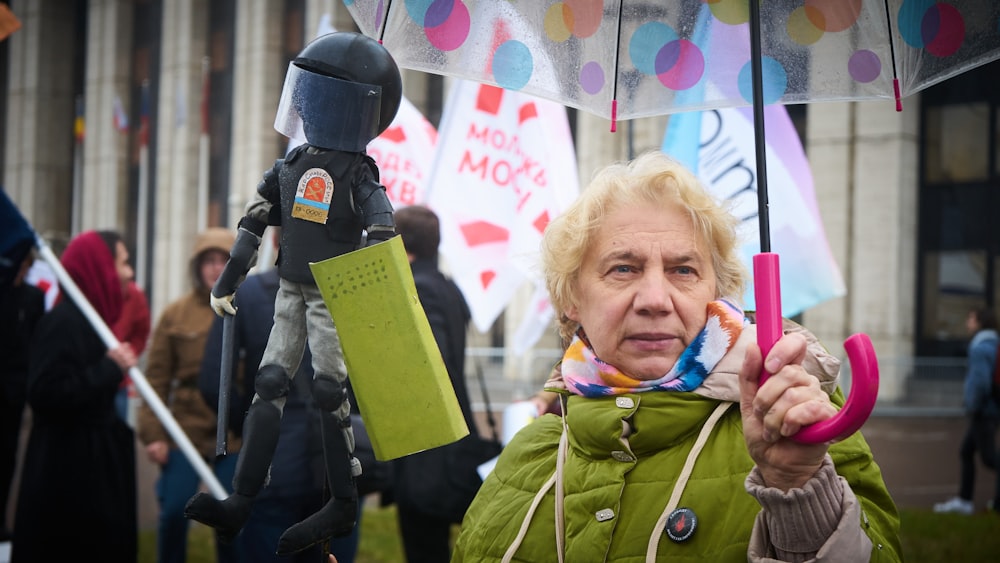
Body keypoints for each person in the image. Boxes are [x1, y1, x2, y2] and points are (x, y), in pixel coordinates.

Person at [451, 152, 901, 562]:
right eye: (622, 268)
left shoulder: (801, 422)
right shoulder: (530, 451)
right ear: (572, 298)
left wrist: (799, 490)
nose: (654, 300)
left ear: (716, 293)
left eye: (683, 270)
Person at [184, 31, 403, 556]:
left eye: (319, 94)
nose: (307, 103)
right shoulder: (291, 165)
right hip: (291, 286)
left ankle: (342, 501)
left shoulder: (359, 174)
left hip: (332, 293)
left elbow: (382, 228)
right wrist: (227, 280)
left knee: (330, 391)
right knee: (269, 380)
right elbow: (255, 222)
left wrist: (375, 291)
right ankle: (242, 497)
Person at [199, 228, 363, 563]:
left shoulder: (247, 295)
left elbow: (215, 384)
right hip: (335, 464)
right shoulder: (351, 293)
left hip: (272, 463)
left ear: (275, 242)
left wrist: (250, 426)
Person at [11, 230, 139, 563]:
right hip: (67, 481)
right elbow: (45, 392)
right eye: (123, 262)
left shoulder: (91, 323)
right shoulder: (63, 323)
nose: (130, 273)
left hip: (90, 471)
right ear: (100, 267)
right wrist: (108, 369)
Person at [137, 227, 240, 563]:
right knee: (174, 512)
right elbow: (155, 380)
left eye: (222, 259)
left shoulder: (247, 307)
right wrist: (154, 435)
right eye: (207, 260)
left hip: (233, 431)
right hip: (185, 430)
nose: (214, 268)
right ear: (196, 266)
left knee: (232, 518)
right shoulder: (175, 314)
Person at [390, 205, 475, 563]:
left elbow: (430, 362)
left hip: (427, 446)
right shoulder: (446, 286)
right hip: (446, 441)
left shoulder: (418, 288)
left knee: (424, 545)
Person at [934, 306, 1000, 515]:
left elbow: (980, 383)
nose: (967, 323)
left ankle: (969, 501)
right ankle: (965, 501)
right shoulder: (994, 343)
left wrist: (972, 406)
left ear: (980, 322)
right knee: (966, 451)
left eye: (971, 319)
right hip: (990, 409)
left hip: (983, 411)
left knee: (989, 458)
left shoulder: (980, 348)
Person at [0, 249, 44, 542]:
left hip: (14, 393)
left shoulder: (33, 297)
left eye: (27, 265)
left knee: (7, 457)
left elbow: (34, 342)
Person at [112, 279, 151, 423]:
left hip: (119, 381)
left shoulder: (134, 295)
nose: (129, 272)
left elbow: (141, 332)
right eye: (124, 263)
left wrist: (128, 354)